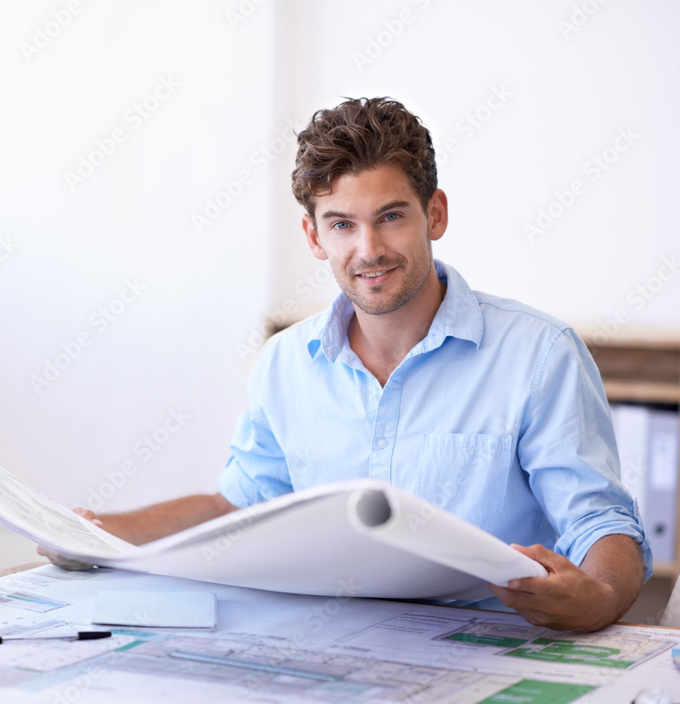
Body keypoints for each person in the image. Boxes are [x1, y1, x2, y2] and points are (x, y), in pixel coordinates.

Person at [39, 97, 650, 632]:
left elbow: (600, 522)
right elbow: (239, 507)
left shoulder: (538, 354)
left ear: (433, 213)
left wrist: (597, 599)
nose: (370, 250)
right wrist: (96, 532)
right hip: (327, 650)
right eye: (342, 225)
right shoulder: (284, 363)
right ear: (314, 236)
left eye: (391, 216)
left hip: (487, 648)